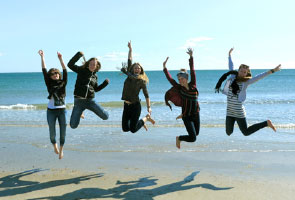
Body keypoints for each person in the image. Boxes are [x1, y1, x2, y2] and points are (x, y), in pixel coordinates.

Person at [215, 48, 281, 136]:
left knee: (246, 132)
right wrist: (229, 55)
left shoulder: (246, 82)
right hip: (229, 112)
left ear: (247, 74)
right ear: (238, 71)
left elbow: (259, 76)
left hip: (239, 112)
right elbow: (231, 65)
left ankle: (266, 123)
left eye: (245, 72)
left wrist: (272, 71)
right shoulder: (232, 76)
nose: (242, 73)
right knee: (228, 132)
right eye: (241, 71)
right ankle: (233, 123)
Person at [163, 48, 200, 149]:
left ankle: (181, 133)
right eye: (179, 79)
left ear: (187, 78)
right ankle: (179, 138)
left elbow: (193, 71)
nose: (180, 81)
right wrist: (165, 68)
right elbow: (170, 79)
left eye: (182, 79)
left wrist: (191, 57)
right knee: (193, 138)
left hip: (196, 114)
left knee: (196, 134)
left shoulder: (193, 85)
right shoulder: (179, 89)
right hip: (186, 116)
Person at [68, 51, 109, 129]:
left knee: (106, 116)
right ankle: (81, 111)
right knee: (73, 126)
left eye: (94, 64)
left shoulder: (95, 76)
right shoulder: (81, 70)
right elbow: (70, 65)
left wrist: (104, 84)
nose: (92, 66)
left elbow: (96, 89)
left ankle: (85, 110)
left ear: (97, 66)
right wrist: (78, 55)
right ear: (88, 64)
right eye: (91, 64)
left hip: (90, 101)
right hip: (79, 102)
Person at [120, 41, 155, 133]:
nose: (137, 69)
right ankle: (140, 123)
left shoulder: (141, 81)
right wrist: (130, 49)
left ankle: (146, 119)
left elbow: (146, 95)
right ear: (132, 69)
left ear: (140, 70)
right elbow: (129, 59)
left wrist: (149, 107)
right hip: (126, 105)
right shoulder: (129, 75)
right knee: (125, 129)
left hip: (135, 106)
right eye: (135, 68)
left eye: (138, 68)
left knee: (133, 130)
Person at [39, 50, 67, 159]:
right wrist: (42, 57)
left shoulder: (63, 82)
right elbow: (44, 70)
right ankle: (54, 145)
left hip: (62, 110)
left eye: (56, 73)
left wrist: (60, 59)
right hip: (51, 110)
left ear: (59, 75)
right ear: (50, 76)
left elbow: (65, 70)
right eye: (52, 74)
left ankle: (61, 149)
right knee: (52, 132)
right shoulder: (49, 83)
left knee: (63, 132)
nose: (55, 74)